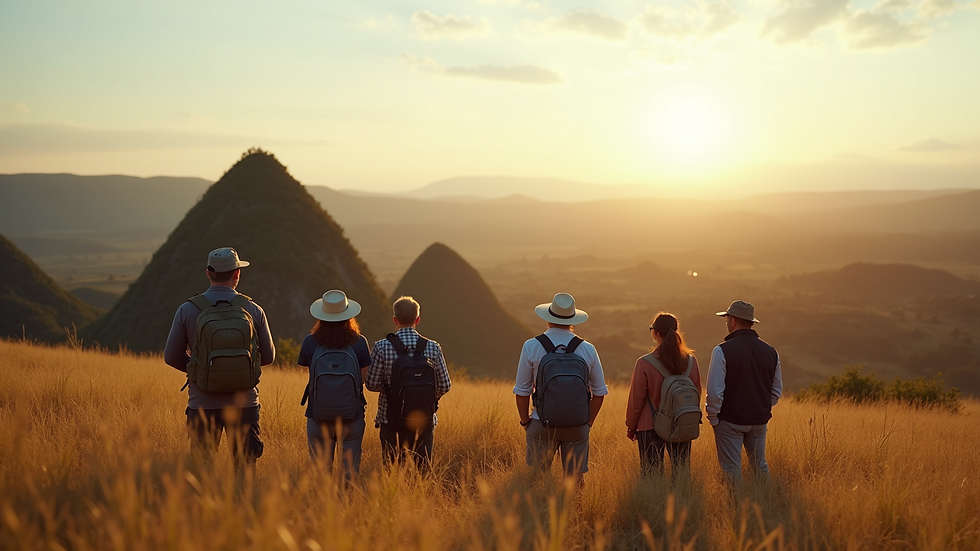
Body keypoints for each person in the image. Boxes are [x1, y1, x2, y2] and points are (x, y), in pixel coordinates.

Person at [164, 247, 275, 469]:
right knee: (245, 470)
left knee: (202, 474)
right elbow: (269, 356)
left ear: (208, 273)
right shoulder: (253, 310)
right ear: (237, 274)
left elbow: (171, 356)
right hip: (245, 403)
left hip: (202, 403)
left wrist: (200, 369)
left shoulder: (187, 310)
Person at [514, 292, 608, 487]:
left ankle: (539, 515)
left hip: (542, 423)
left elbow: (522, 390)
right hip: (577, 425)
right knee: (575, 481)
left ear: (548, 319)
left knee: (537, 481)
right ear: (572, 320)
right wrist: (588, 422)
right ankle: (576, 515)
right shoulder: (588, 349)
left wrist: (526, 422)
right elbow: (599, 392)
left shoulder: (531, 346)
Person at [365, 296, 451, 470]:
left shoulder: (381, 347)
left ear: (395, 320)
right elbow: (445, 385)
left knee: (392, 471)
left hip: (391, 419)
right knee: (423, 471)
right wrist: (422, 396)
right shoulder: (433, 347)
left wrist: (393, 389)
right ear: (417, 320)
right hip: (424, 419)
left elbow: (372, 384)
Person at [705, 300, 782, 483]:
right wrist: (760, 406)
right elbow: (776, 391)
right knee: (760, 465)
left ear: (733, 321)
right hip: (759, 420)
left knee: (731, 469)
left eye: (727, 320)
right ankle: (765, 503)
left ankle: (736, 508)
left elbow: (715, 392)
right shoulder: (771, 352)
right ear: (751, 322)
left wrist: (714, 418)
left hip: (730, 421)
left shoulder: (721, 350)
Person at [298, 289, 372, 479]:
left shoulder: (309, 342)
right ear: (348, 316)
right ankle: (347, 507)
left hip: (318, 416)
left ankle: (322, 507)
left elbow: (310, 377)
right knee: (350, 473)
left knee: (321, 476)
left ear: (321, 316)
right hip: (352, 417)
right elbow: (363, 379)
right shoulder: (360, 342)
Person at [625, 312, 702, 475]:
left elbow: (636, 401)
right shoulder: (691, 361)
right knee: (681, 474)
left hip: (649, 426)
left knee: (651, 476)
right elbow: (697, 393)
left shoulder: (644, 363)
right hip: (681, 422)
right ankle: (682, 500)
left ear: (656, 333)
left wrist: (631, 427)